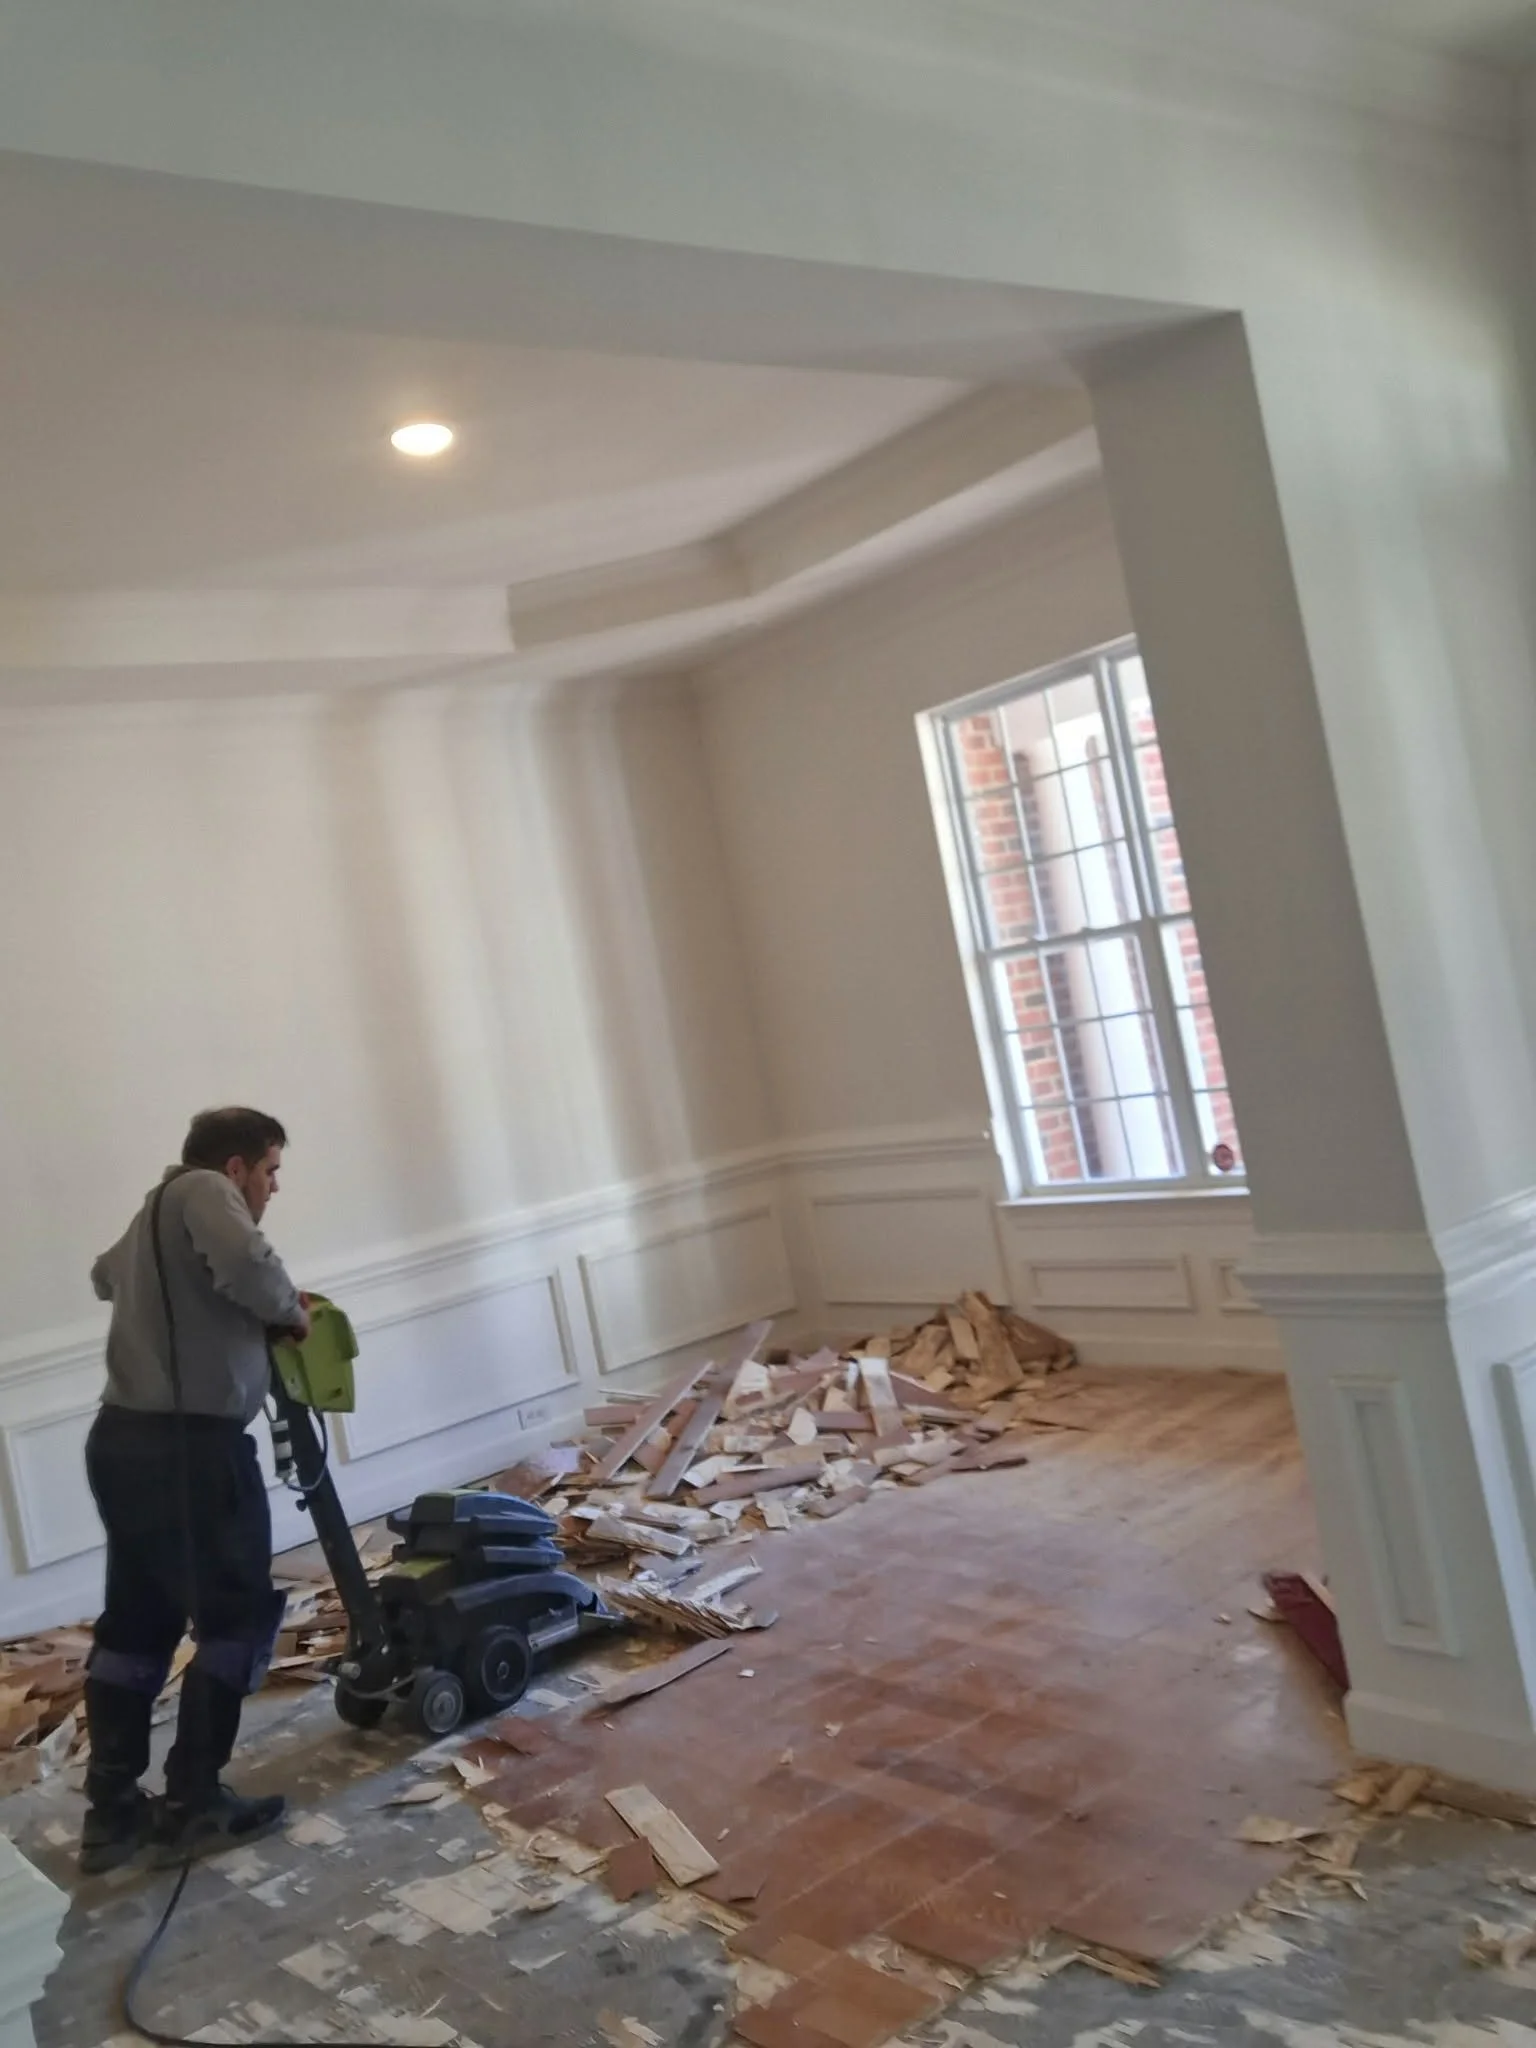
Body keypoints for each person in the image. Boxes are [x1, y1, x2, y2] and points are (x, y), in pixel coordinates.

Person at [80, 1107, 310, 1873]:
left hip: (122, 1444)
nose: (274, 1186)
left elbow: (102, 1276)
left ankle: (111, 1815)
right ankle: (194, 1800)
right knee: (236, 1618)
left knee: (138, 1624)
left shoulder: (152, 1212)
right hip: (192, 1450)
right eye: (270, 1169)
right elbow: (248, 1266)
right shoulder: (207, 1190)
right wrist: (288, 1313)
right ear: (237, 1166)